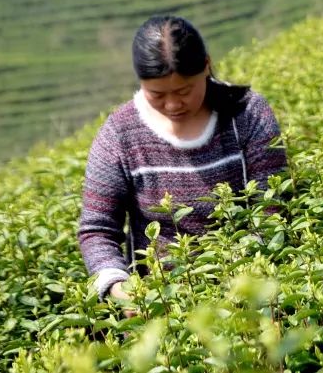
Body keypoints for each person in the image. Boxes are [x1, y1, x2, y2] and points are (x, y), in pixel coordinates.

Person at [78, 15, 287, 302]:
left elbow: (270, 212)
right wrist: (117, 285)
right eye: (157, 94)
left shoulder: (248, 115)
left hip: (245, 294)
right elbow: (97, 229)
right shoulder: (120, 134)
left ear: (206, 66)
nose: (173, 105)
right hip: (161, 303)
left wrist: (235, 282)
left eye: (184, 90)